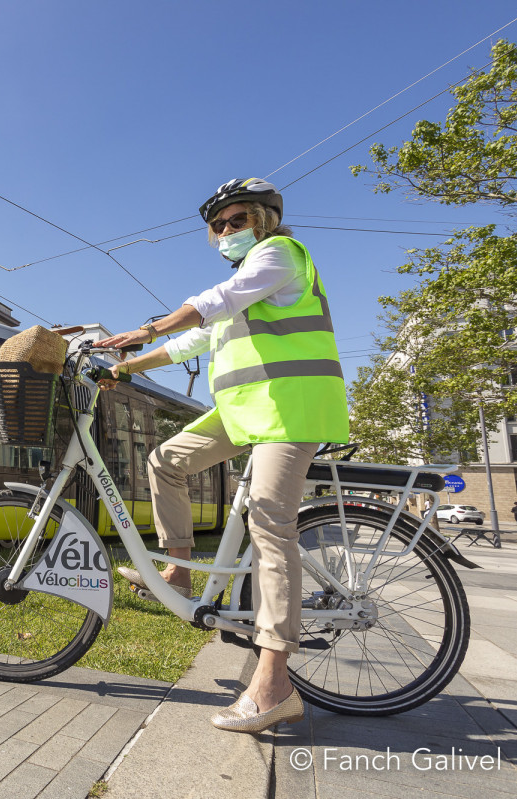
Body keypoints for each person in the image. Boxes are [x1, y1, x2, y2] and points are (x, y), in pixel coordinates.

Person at [96, 178, 350, 734]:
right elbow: (192, 341)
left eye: (237, 220)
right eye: (218, 226)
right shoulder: (244, 285)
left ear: (264, 219)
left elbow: (211, 304)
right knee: (166, 460)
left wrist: (143, 329)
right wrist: (124, 365)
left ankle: (274, 685)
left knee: (270, 525)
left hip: (293, 411)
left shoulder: (279, 257)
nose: (226, 231)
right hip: (248, 413)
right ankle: (178, 572)